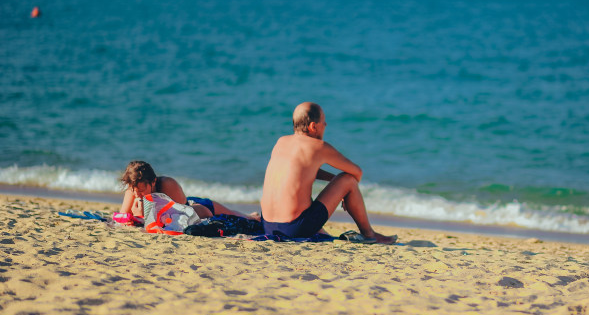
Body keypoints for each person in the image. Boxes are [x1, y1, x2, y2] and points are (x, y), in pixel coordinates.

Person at [260, 102, 396, 244]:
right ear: (313, 126)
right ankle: (369, 234)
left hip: (268, 227)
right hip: (294, 229)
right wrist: (345, 191)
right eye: (323, 122)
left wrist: (335, 184)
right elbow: (357, 172)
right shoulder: (318, 147)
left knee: (317, 187)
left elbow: (304, 170)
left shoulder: (281, 142)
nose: (325, 125)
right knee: (347, 179)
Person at [119, 160, 257, 220]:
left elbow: (183, 215)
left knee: (236, 215)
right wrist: (135, 217)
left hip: (193, 206)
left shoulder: (167, 185)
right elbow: (122, 217)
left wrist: (143, 214)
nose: (137, 194)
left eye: (142, 191)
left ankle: (251, 215)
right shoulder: (134, 188)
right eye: (134, 190)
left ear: (153, 182)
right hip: (182, 207)